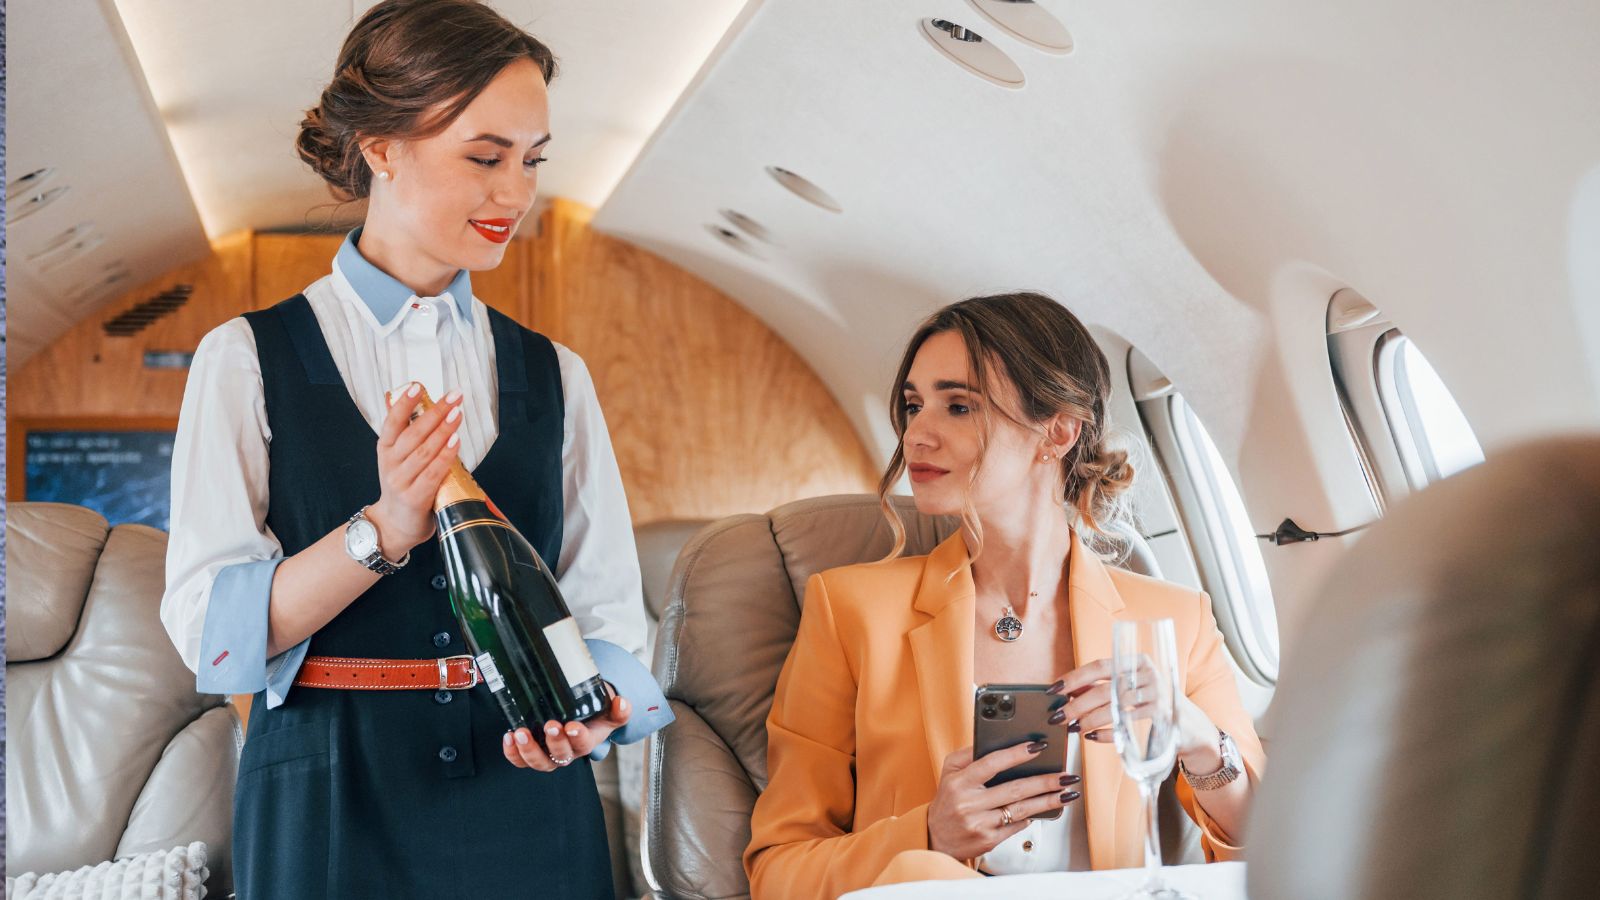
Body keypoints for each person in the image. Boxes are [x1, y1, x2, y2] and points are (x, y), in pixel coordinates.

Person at [159, 2, 669, 896]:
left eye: (532, 160)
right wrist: (384, 529)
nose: (517, 194)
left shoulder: (558, 375)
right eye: (485, 156)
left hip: (530, 794)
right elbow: (212, 632)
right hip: (331, 795)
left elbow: (608, 614)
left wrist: (595, 717)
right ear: (382, 146)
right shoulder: (244, 359)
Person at [744, 292, 1266, 896]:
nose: (916, 433)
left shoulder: (1175, 618)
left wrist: (1196, 736)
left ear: (1059, 432)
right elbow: (777, 871)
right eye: (914, 406)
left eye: (958, 406)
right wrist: (928, 834)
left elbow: (1270, 847)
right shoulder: (849, 611)